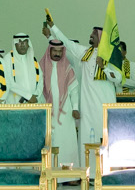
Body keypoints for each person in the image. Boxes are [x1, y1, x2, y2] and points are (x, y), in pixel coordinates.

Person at [76, 25, 122, 155]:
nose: (91, 35)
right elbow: (67, 44)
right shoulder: (85, 53)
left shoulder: (111, 56)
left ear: (101, 37)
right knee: (87, 136)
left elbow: (118, 78)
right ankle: (87, 166)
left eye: (94, 34)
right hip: (88, 106)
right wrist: (53, 29)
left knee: (105, 135)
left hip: (104, 104)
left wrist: (104, 67)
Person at [38, 35, 79, 166]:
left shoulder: (68, 68)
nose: (57, 54)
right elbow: (38, 90)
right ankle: (49, 171)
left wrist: (75, 108)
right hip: (47, 110)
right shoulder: (41, 67)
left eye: (60, 51)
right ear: (49, 51)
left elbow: (74, 90)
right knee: (49, 141)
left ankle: (68, 172)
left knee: (67, 141)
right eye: (55, 51)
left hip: (65, 111)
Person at [7, 33, 39, 102]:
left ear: (28, 44)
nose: (22, 45)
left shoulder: (33, 59)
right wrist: (28, 96)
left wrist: (36, 94)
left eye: (24, 41)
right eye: (19, 42)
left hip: (33, 101)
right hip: (15, 101)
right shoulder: (8, 58)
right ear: (15, 44)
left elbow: (40, 79)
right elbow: (8, 81)